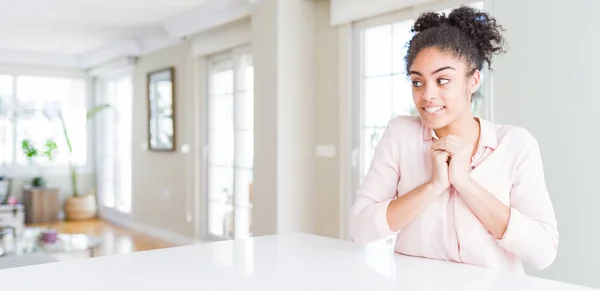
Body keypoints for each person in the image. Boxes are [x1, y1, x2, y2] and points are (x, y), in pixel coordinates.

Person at [350, 6, 558, 274]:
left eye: (443, 80)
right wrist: (434, 186)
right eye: (417, 82)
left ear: (473, 81)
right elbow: (360, 229)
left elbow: (543, 252)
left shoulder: (516, 145)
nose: (427, 95)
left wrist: (464, 182)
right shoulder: (400, 135)